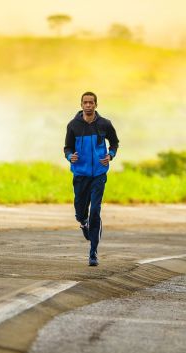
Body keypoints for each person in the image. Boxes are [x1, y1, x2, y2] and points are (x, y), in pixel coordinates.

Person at [64, 92, 119, 266]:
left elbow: (115, 143)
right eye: (85, 102)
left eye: (91, 102)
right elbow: (67, 148)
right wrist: (70, 156)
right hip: (80, 174)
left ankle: (93, 252)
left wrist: (110, 155)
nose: (88, 105)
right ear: (81, 105)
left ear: (96, 105)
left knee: (95, 210)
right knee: (81, 211)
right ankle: (83, 222)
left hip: (99, 174)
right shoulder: (73, 125)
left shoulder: (105, 124)